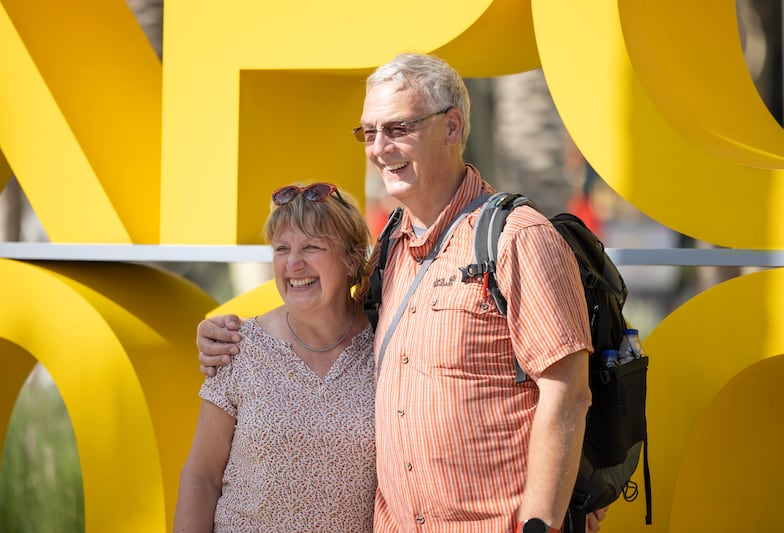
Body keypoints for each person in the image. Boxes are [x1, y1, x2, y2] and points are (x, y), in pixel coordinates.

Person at [197, 53, 608, 533]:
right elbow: (329, 315)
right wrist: (224, 334)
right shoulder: (390, 249)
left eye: (397, 129)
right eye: (368, 133)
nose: (379, 148)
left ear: (452, 128)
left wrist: (542, 523)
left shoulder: (518, 237)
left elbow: (568, 395)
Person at [174, 182, 376, 532]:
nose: (294, 264)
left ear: (352, 258)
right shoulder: (238, 346)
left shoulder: (388, 347)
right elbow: (202, 476)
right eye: (282, 249)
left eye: (311, 247)